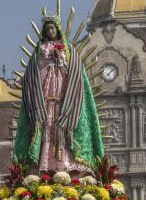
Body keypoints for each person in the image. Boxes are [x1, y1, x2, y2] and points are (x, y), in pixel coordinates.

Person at [12, 16, 103, 173]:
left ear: (58, 29)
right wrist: (47, 62)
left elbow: (76, 73)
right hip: (45, 99)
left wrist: (60, 59)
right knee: (47, 126)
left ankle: (65, 164)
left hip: (64, 97)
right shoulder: (40, 49)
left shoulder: (68, 49)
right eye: (48, 29)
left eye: (53, 28)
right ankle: (45, 164)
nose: (50, 31)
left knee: (62, 128)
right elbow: (32, 74)